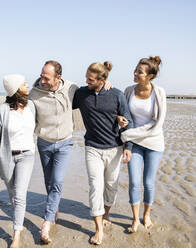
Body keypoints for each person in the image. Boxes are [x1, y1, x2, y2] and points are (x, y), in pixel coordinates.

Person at [29, 60, 112, 243]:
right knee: (49, 181)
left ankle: (47, 222)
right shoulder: (35, 93)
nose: (42, 80)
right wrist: (1, 112)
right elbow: (19, 104)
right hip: (44, 142)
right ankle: (54, 207)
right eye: (41, 76)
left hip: (65, 143)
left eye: (46, 77)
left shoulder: (71, 88)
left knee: (57, 181)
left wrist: (105, 84)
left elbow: (92, 88)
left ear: (58, 77)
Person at [72, 61, 133, 245]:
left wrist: (128, 145)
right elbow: (60, 99)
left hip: (115, 148)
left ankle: (106, 213)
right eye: (86, 77)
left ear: (103, 79)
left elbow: (128, 120)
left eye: (90, 79)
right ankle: (98, 229)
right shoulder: (82, 94)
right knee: (95, 187)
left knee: (111, 187)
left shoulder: (117, 95)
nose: (86, 81)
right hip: (92, 148)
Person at [118, 56, 166, 233]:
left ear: (150, 76)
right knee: (133, 182)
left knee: (148, 182)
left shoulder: (159, 93)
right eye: (135, 69)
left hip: (154, 143)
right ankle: (135, 219)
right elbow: (121, 112)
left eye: (140, 72)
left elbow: (157, 124)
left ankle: (146, 215)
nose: (135, 73)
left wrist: (128, 134)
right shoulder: (128, 90)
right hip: (133, 144)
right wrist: (120, 122)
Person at [0, 74, 36, 248]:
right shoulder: (2, 110)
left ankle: (16, 236)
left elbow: (42, 88)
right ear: (15, 89)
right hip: (7, 157)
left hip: (27, 156)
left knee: (20, 195)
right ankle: (19, 216)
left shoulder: (32, 107)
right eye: (24, 84)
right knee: (13, 196)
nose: (27, 85)